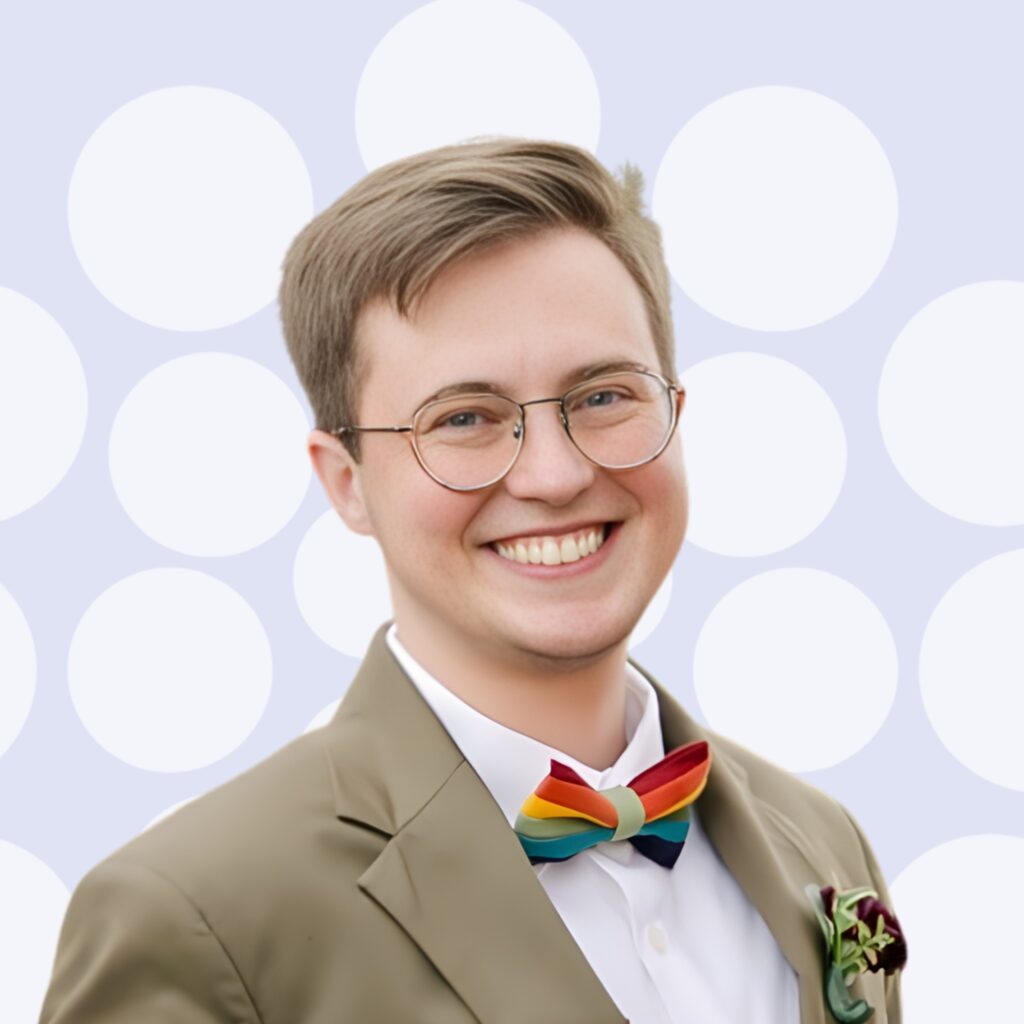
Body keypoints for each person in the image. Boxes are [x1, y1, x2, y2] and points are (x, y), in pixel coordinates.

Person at [39, 137, 903, 1023]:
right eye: (463, 418)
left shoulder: (821, 841)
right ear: (346, 482)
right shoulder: (194, 916)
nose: (555, 475)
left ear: (675, 414)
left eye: (604, 396)